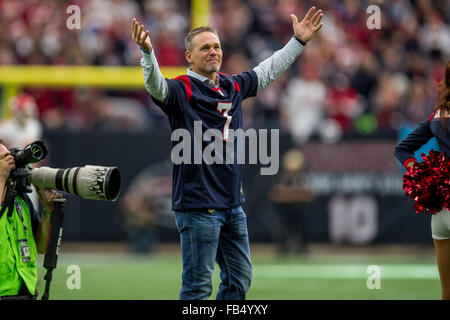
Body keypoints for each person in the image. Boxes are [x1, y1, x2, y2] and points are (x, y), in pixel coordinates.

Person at [132, 6, 323, 300]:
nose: (213, 52)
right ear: (190, 57)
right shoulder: (183, 90)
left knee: (239, 281)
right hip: (198, 205)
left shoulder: (232, 85)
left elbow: (268, 70)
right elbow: (156, 88)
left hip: (233, 204)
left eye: (217, 46)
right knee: (197, 289)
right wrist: (148, 54)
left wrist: (297, 42)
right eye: (205, 47)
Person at [394, 60, 450, 300]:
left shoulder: (438, 116)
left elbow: (403, 149)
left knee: (447, 291)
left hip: (440, 214)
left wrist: (419, 171)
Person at [0, 140, 61, 300]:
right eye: (2, 159)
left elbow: (40, 247)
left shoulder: (20, 199)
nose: (9, 164)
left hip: (27, 293)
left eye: (9, 158)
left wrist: (48, 212)